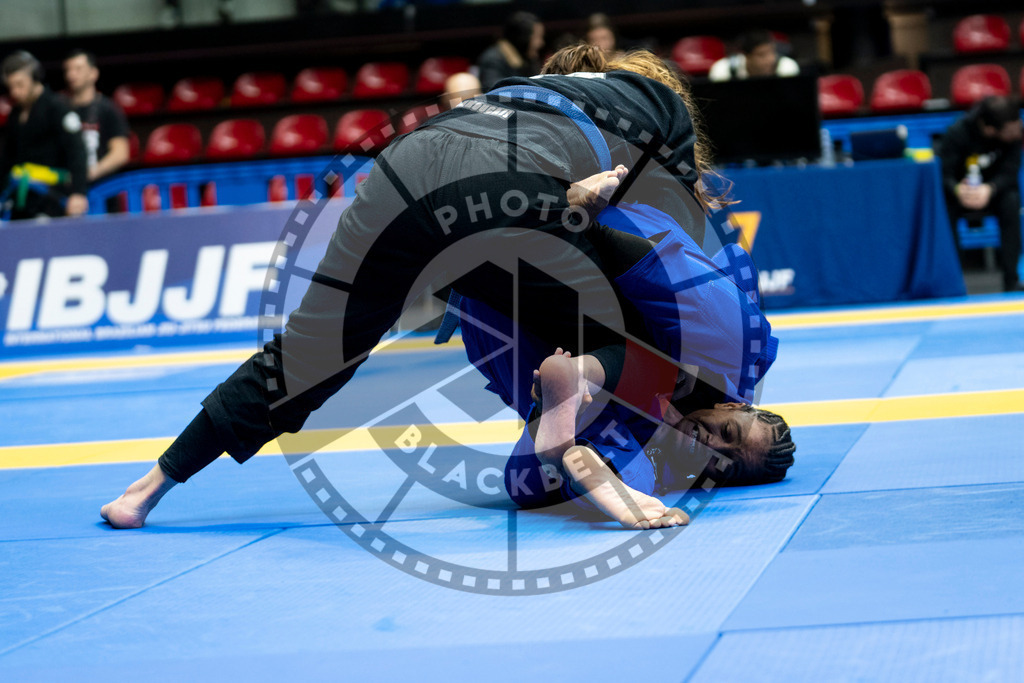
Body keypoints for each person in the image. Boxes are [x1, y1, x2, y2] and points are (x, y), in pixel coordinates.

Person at [99, 45, 767, 530]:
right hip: (505, 192)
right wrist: (597, 201)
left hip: (401, 172)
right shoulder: (662, 109)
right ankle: (584, 379)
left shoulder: (525, 87)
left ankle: (148, 487)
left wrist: (582, 201)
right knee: (644, 326)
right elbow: (674, 239)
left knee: (308, 356)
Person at [936, 95, 1022, 292]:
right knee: (943, 207)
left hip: (993, 191)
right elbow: (944, 173)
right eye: (1010, 131)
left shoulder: (1015, 133)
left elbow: (1010, 172)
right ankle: (954, 282)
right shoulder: (957, 132)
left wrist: (990, 189)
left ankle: (1011, 280)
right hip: (960, 193)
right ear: (990, 129)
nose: (1016, 133)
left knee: (1012, 199)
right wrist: (958, 189)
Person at [0, 51, 88, 220]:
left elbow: (77, 150)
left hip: (52, 196)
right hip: (22, 197)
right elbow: (7, 159)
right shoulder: (15, 113)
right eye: (11, 86)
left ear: (34, 78)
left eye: (20, 84)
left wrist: (79, 192)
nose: (14, 91)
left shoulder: (57, 107)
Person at [63, 49, 130, 184]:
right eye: (68, 70)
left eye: (78, 69)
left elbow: (121, 153)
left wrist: (92, 172)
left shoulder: (108, 109)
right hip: (68, 189)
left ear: (93, 73)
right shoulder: (60, 109)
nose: (71, 74)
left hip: (102, 190)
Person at [476, 11, 545, 91]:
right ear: (522, 39)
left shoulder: (529, 59)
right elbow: (495, 92)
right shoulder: (492, 60)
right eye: (537, 37)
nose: (541, 43)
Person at [708, 29, 800, 82]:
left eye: (772, 52)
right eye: (761, 55)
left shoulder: (787, 67)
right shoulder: (723, 70)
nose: (770, 59)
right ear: (746, 55)